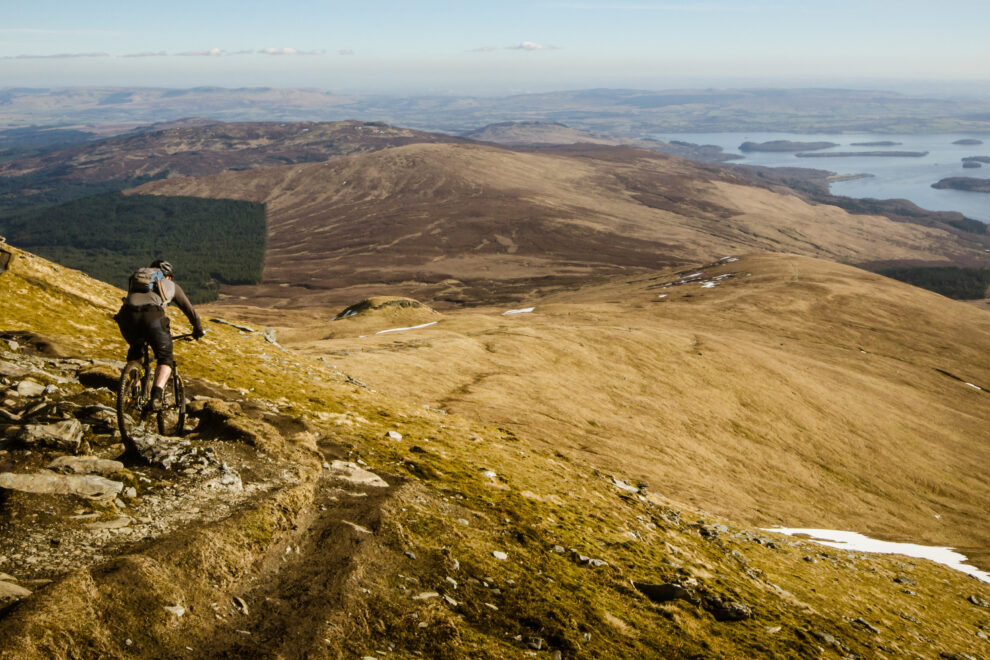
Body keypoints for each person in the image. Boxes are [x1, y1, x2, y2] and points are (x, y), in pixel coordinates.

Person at [114, 260, 205, 410]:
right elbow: (191, 312)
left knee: (135, 352)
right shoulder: (171, 285)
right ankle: (156, 397)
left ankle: (135, 393)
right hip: (152, 318)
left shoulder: (136, 280)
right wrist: (198, 329)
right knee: (165, 358)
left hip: (126, 318)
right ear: (168, 276)